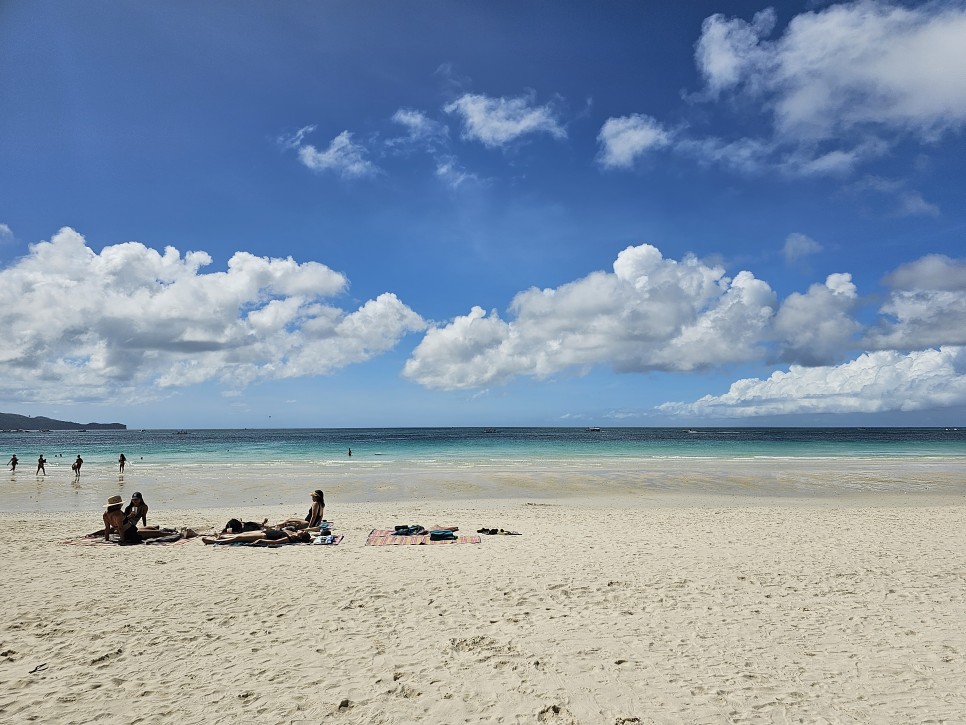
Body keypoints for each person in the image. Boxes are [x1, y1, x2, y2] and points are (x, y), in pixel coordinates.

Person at [202, 529, 312, 546]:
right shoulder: (292, 533)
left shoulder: (290, 539)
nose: (302, 530)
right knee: (242, 535)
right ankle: (221, 536)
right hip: (264, 531)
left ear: (301, 535)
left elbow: (276, 542)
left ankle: (214, 541)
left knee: (239, 537)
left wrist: (261, 540)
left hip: (264, 535)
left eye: (303, 532)